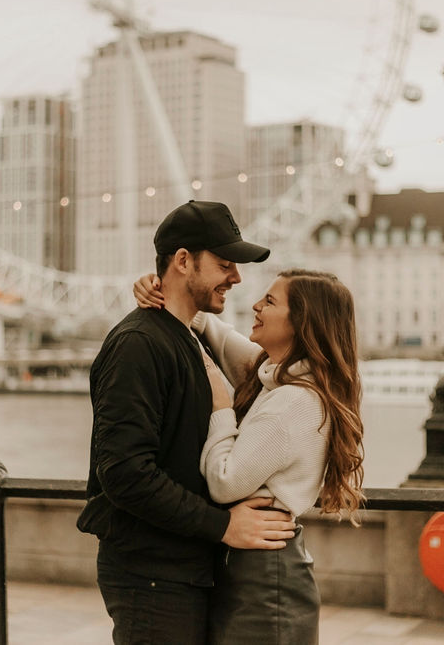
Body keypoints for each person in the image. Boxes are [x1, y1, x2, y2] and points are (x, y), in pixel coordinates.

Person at [77, 200, 297, 645]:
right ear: (182, 261)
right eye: (224, 264)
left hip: (184, 570)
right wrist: (222, 526)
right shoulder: (137, 346)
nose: (235, 277)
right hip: (152, 574)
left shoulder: (193, 338)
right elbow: (124, 473)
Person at [134, 268, 365, 644]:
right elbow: (220, 338)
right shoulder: (279, 377)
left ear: (302, 322)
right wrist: (160, 290)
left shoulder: (294, 401)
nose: (255, 306)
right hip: (257, 566)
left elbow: (225, 483)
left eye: (270, 302)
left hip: (265, 578)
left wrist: (221, 408)